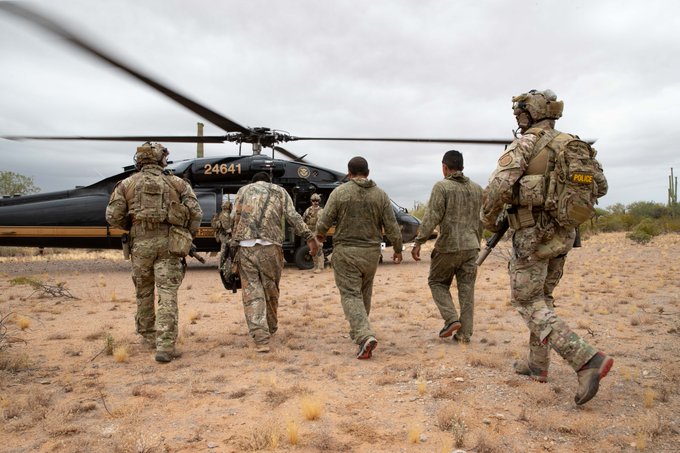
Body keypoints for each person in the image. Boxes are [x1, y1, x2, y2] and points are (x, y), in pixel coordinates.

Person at [481, 89, 612, 405]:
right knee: (543, 298)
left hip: (531, 234)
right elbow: (602, 187)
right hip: (564, 234)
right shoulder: (573, 144)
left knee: (527, 301)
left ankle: (586, 359)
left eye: (519, 112)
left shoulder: (526, 143)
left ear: (528, 114)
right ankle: (537, 364)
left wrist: (486, 216)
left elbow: (499, 184)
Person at [106, 142, 203, 363]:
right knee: (167, 293)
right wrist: (188, 234)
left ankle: (148, 337)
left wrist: (133, 225)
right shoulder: (177, 183)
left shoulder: (126, 184)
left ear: (138, 161)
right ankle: (165, 345)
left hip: (140, 245)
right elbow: (196, 212)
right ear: (161, 160)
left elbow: (112, 216)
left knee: (144, 291)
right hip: (169, 244)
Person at [316, 156, 403, 359]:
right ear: (368, 172)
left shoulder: (340, 193)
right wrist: (398, 249)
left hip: (346, 252)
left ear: (349, 173)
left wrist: (318, 237)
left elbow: (323, 221)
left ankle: (364, 335)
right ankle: (359, 331)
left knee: (350, 295)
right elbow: (392, 226)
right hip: (372, 254)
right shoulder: (381, 195)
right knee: (364, 293)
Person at [231, 171, 319, 353]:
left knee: (251, 291)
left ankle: (260, 337)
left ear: (253, 182)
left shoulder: (243, 191)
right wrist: (310, 237)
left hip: (246, 247)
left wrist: (233, 246)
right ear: (268, 181)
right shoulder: (279, 191)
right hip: (271, 247)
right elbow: (293, 216)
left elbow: (235, 218)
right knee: (271, 288)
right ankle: (270, 327)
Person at [411, 150, 483, 344]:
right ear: (462, 167)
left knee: (437, 282)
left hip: (449, 246)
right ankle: (465, 333)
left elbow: (431, 217)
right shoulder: (477, 189)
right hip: (472, 247)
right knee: (467, 290)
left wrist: (419, 242)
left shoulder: (442, 187)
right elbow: (481, 220)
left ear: (444, 167)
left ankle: (451, 319)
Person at [302, 193, 325, 273]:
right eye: (313, 200)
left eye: (317, 200)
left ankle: (320, 267)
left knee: (319, 249)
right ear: (311, 201)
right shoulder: (308, 210)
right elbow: (303, 219)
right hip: (309, 231)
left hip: (317, 231)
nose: (315, 202)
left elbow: (323, 222)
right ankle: (315, 266)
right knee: (312, 249)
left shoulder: (321, 211)